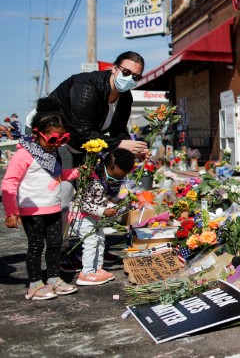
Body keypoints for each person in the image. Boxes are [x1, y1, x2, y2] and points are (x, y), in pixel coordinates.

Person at [2, 99, 77, 300]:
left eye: (63, 140)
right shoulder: (23, 154)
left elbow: (58, 175)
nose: (57, 145)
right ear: (36, 134)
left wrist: (76, 173)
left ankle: (53, 278)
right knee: (36, 247)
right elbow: (9, 183)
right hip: (32, 211)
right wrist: (11, 211)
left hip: (53, 207)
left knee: (55, 245)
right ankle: (34, 285)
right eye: (53, 140)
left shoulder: (53, 154)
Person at [44, 51, 150, 169]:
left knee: (89, 185)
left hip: (82, 146)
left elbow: (119, 131)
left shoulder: (125, 97)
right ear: (114, 69)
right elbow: (81, 132)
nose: (130, 78)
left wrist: (135, 149)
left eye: (136, 77)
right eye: (126, 72)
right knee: (64, 186)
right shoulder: (87, 87)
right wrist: (120, 144)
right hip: (53, 138)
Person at [69, 148, 135, 286]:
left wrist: (119, 201)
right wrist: (103, 211)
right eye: (112, 178)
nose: (114, 181)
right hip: (83, 216)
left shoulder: (108, 181)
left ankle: (97, 268)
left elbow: (107, 196)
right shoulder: (91, 179)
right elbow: (84, 203)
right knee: (91, 242)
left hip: (95, 217)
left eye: (119, 179)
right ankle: (86, 272)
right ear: (107, 167)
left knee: (100, 240)